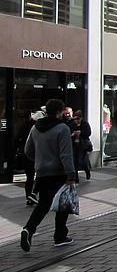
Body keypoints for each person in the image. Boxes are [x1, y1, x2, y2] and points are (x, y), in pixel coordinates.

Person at [20, 99, 76, 251]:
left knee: (43, 204)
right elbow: (65, 154)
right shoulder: (62, 128)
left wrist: (40, 161)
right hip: (59, 173)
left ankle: (28, 229)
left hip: (42, 173)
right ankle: (60, 236)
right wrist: (71, 174)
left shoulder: (35, 128)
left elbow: (28, 150)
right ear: (58, 112)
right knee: (62, 205)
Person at [16, 110, 42, 205]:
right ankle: (34, 194)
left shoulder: (24, 126)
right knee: (40, 176)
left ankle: (29, 196)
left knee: (29, 177)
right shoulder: (37, 127)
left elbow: (19, 138)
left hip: (26, 154)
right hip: (36, 154)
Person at [68, 110, 91, 183]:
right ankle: (76, 178)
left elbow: (88, 133)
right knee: (75, 162)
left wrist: (81, 133)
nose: (76, 121)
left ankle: (87, 170)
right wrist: (73, 134)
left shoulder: (85, 124)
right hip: (74, 145)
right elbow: (69, 133)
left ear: (81, 118)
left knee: (81, 161)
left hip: (82, 145)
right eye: (75, 119)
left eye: (78, 119)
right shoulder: (72, 125)